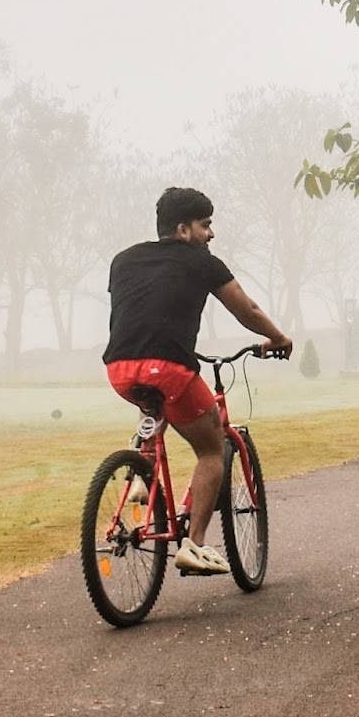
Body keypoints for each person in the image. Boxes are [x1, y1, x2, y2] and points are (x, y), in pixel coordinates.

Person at [103, 186, 293, 575]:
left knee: (157, 403)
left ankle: (143, 475)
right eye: (206, 225)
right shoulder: (201, 261)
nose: (211, 234)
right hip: (169, 367)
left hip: (120, 368)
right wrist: (277, 337)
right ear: (183, 229)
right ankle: (196, 544)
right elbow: (247, 309)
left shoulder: (123, 260)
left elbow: (141, 310)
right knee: (211, 447)